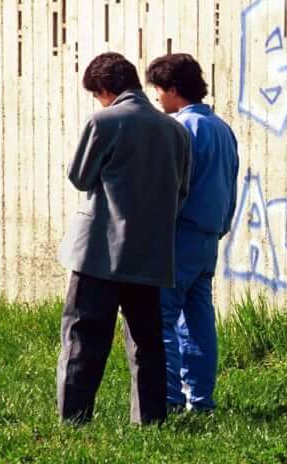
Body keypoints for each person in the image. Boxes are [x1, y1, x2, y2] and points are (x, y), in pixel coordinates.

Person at [56, 52, 192, 425]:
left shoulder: (103, 122)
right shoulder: (176, 132)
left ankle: (74, 417)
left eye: (97, 94)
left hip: (99, 251)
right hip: (149, 254)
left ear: (105, 89)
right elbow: (181, 192)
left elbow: (80, 177)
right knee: (147, 342)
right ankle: (149, 419)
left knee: (83, 336)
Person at [146, 53, 239, 412]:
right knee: (198, 320)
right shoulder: (222, 128)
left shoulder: (180, 129)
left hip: (179, 234)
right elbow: (231, 183)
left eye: (158, 89)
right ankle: (200, 400)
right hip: (209, 236)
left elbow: (172, 188)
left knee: (161, 318)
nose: (157, 97)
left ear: (173, 89)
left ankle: (168, 398)